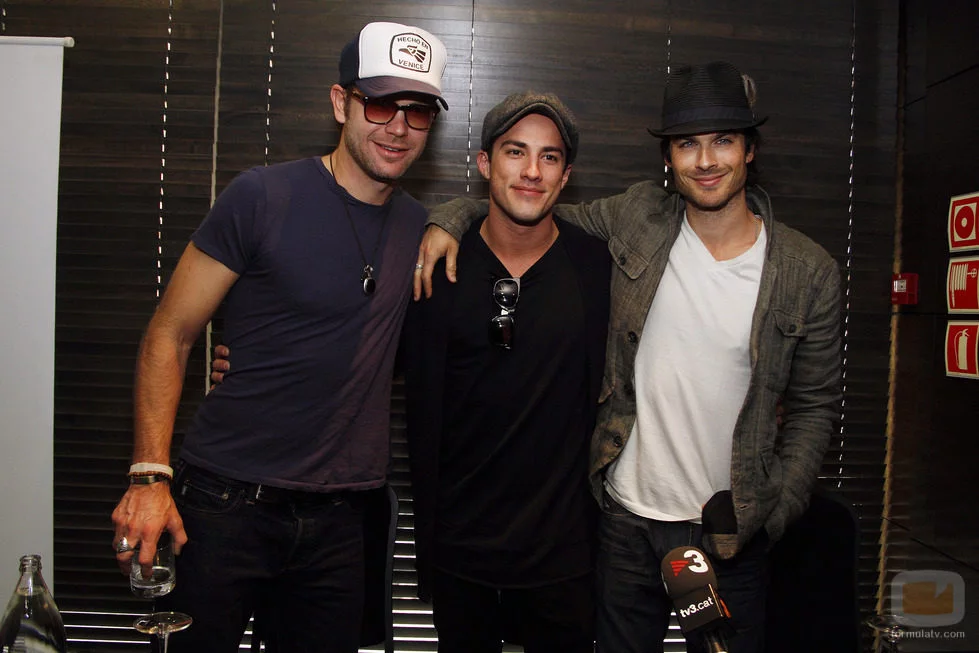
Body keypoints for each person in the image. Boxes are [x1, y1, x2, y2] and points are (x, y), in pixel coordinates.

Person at [417, 61, 843, 653]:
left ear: (750, 150)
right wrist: (449, 217)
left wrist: (773, 513)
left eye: (723, 141)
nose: (706, 160)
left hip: (731, 533)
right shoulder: (638, 220)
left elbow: (814, 409)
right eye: (687, 144)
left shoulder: (807, 272)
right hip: (624, 524)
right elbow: (527, 208)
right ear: (668, 157)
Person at [109, 21, 448, 653]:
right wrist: (149, 478)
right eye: (380, 104)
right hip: (225, 502)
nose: (398, 127)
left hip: (342, 520)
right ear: (340, 102)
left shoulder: (420, 229)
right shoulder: (262, 197)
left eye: (419, 111)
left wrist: (454, 218)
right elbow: (170, 334)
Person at [402, 92, 610, 653]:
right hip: (460, 551)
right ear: (484, 163)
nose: (531, 171)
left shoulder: (597, 267)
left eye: (549, 157)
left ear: (566, 176)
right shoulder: (434, 267)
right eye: (516, 152)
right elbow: (366, 357)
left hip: (563, 557)